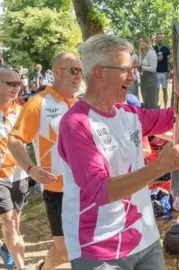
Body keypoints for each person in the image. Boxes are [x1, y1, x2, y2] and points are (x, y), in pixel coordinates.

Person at [55, 34, 179, 269]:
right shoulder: (76, 123)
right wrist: (159, 168)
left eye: (134, 68)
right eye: (126, 69)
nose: (134, 75)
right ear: (100, 72)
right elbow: (100, 191)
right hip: (98, 246)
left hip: (144, 237)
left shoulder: (129, 113)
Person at [8, 52, 82, 270]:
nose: (79, 75)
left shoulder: (81, 104)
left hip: (85, 188)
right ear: (57, 73)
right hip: (57, 188)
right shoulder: (38, 103)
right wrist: (31, 168)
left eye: (81, 71)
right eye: (73, 70)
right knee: (64, 251)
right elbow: (15, 140)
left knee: (87, 244)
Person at [0, 68, 28, 270]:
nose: (16, 88)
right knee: (9, 221)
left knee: (15, 221)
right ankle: (21, 267)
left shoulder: (21, 111)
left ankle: (6, 248)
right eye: (11, 84)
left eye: (18, 84)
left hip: (20, 174)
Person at [139, 35, 159, 109]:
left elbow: (153, 69)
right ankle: (149, 119)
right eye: (140, 41)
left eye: (143, 41)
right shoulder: (143, 53)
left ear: (148, 42)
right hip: (144, 79)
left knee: (151, 102)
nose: (141, 43)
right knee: (146, 101)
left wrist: (142, 67)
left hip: (151, 79)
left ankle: (155, 118)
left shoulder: (151, 52)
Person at [153, 32, 171, 108]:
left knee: (165, 91)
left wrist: (169, 71)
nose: (160, 39)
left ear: (163, 39)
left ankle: (166, 107)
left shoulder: (166, 49)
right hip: (156, 72)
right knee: (156, 91)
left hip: (164, 73)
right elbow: (151, 60)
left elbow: (169, 60)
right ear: (156, 38)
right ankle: (156, 107)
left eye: (161, 38)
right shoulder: (153, 48)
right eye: (159, 37)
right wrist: (156, 59)